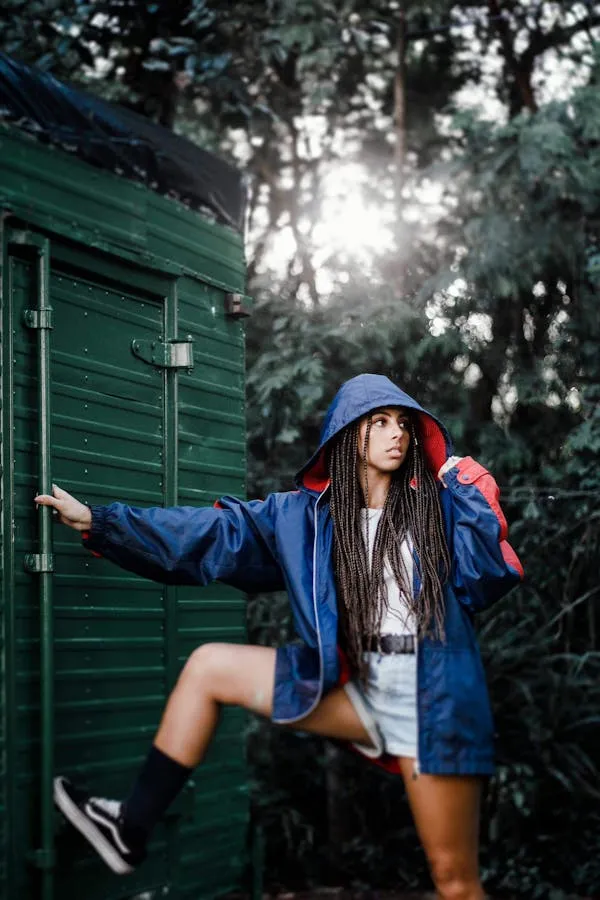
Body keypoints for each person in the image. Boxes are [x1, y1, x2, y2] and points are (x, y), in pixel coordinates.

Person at [35, 373, 523, 900]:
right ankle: (130, 827)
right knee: (208, 667)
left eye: (404, 423)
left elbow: (487, 577)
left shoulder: (438, 508)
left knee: (455, 884)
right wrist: (101, 524)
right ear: (346, 435)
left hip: (436, 701)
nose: (395, 434)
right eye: (378, 422)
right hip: (358, 691)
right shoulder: (304, 519)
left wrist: (468, 483)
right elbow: (209, 534)